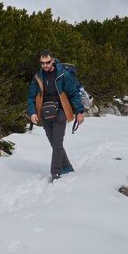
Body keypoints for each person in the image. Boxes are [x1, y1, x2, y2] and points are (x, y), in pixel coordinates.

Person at [27, 50, 86, 182]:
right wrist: (32, 113)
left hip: (60, 112)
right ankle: (67, 166)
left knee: (58, 142)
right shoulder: (38, 77)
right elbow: (31, 96)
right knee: (54, 143)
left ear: (53, 60)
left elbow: (73, 93)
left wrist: (80, 112)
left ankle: (56, 172)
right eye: (42, 63)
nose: (45, 65)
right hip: (45, 113)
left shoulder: (63, 75)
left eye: (47, 62)